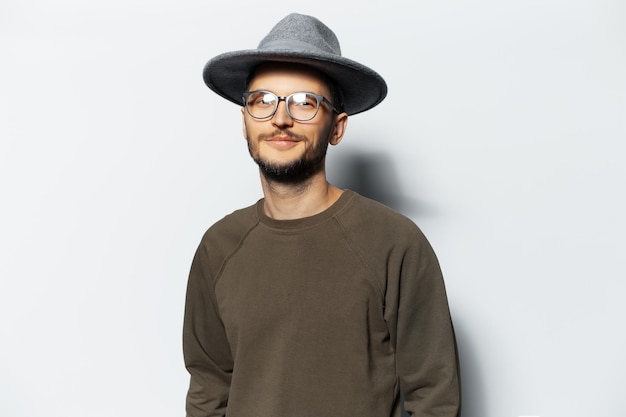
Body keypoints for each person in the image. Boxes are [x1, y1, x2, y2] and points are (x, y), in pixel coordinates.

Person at [183, 13, 460, 417]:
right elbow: (209, 389)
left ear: (337, 127)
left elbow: (434, 395)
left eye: (304, 103)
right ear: (244, 122)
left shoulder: (394, 242)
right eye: (262, 101)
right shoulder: (218, 246)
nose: (281, 118)